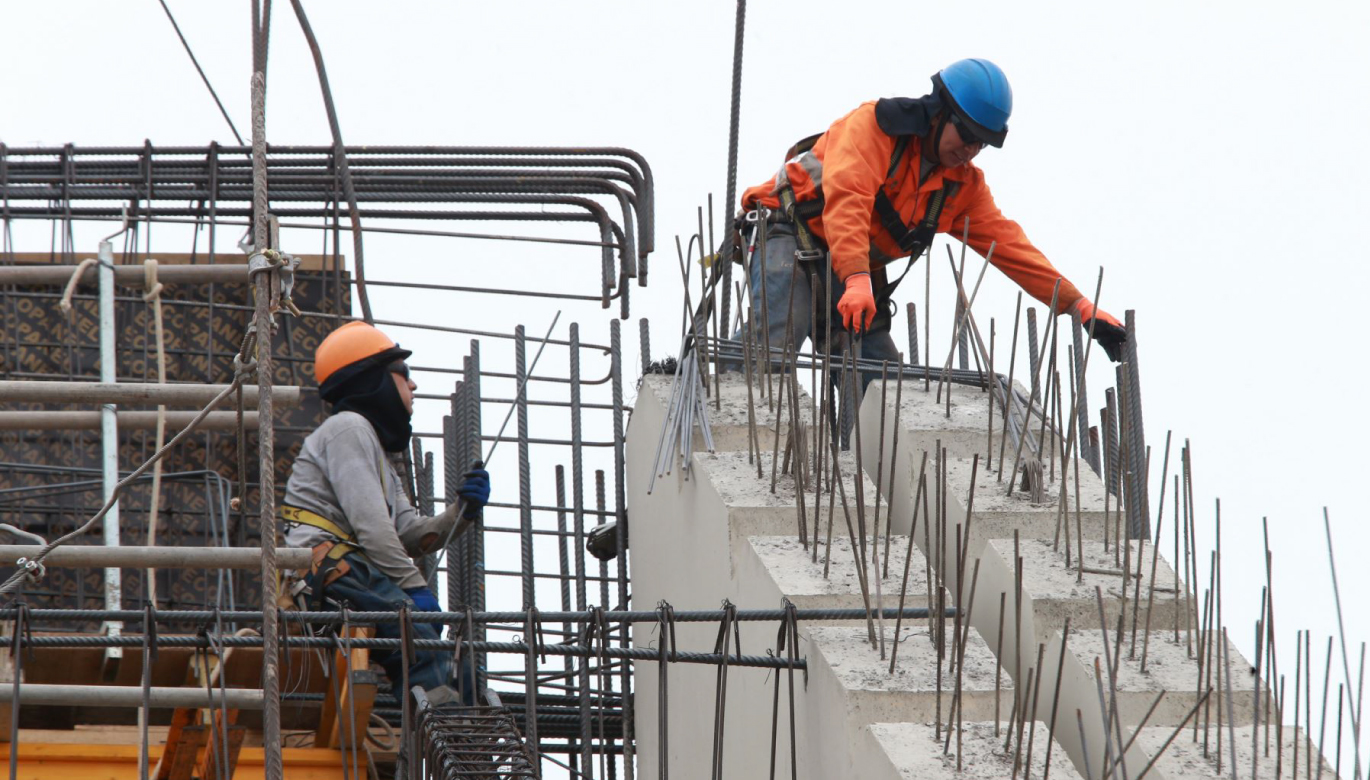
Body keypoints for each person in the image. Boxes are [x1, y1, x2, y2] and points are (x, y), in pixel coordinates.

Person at [738, 57, 1128, 373]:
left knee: (882, 382)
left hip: (850, 269)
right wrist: (858, 279)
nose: (970, 149)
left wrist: (1078, 305)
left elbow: (1011, 248)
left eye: (981, 143)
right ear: (939, 113)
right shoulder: (874, 128)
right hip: (790, 232)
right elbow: (848, 200)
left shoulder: (961, 188)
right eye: (966, 133)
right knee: (777, 338)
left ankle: (861, 467)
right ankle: (696, 384)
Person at [281, 320, 490, 703]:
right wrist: (415, 589)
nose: (413, 386)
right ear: (373, 379)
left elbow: (410, 534)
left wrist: (463, 510)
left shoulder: (376, 452)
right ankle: (442, 730)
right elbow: (374, 531)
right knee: (419, 642)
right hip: (330, 569)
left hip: (353, 570)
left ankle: (462, 724)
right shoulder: (347, 429)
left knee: (455, 662)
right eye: (403, 375)